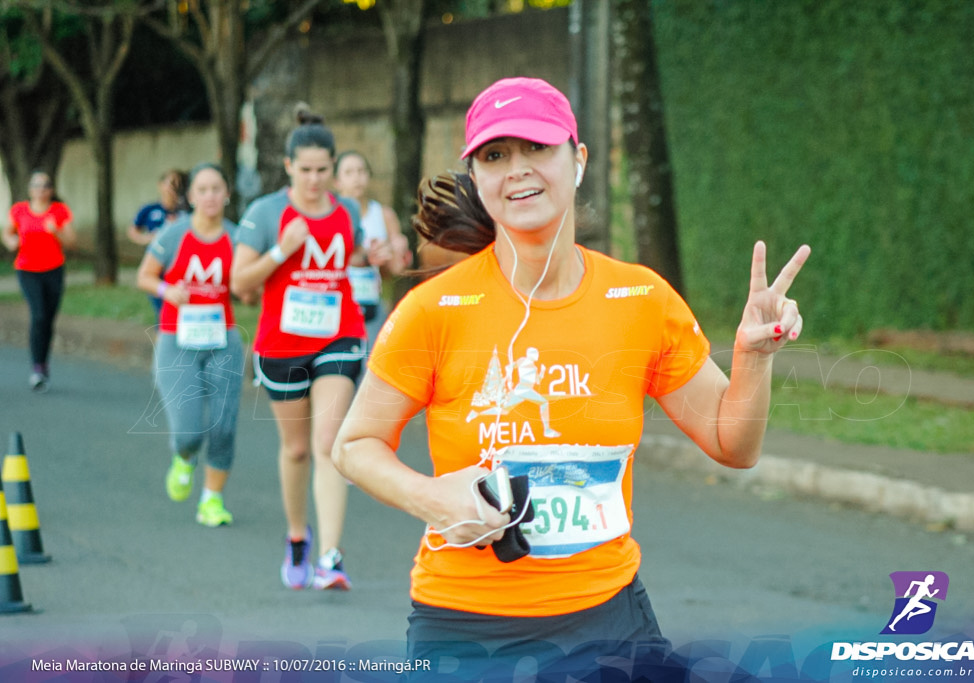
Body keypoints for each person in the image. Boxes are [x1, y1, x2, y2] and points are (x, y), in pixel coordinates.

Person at [332, 77, 811, 677]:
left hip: (609, 619)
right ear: (477, 180)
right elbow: (353, 445)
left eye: (537, 148)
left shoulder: (639, 298)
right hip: (466, 627)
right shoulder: (436, 310)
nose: (517, 170)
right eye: (495, 155)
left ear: (578, 160)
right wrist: (432, 497)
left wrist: (753, 357)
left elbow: (733, 443)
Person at [231, 106, 380, 590]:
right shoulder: (266, 213)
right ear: (288, 165)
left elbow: (353, 256)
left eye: (323, 170)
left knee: (328, 445)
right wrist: (282, 249)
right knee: (296, 450)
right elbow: (240, 283)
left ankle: (331, 559)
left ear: (333, 168)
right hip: (281, 343)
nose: (315, 180)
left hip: (339, 334)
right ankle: (299, 537)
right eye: (306, 170)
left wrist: (374, 257)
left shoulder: (348, 211)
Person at [136, 163, 244, 527]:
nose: (211, 196)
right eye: (203, 189)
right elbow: (145, 276)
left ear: (227, 194)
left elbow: (248, 288)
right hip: (177, 339)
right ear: (191, 197)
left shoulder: (236, 237)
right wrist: (169, 290)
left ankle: (212, 500)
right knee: (188, 430)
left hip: (223, 340)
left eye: (217, 188)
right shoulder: (174, 234)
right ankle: (184, 457)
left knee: (224, 427)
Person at [2, 170, 77, 392]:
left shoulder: (59, 211)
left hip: (54, 270)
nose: (40, 189)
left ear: (51, 190)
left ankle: (43, 365)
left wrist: (57, 233)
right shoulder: (19, 210)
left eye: (45, 185)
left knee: (48, 319)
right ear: (30, 189)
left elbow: (72, 242)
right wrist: (11, 241)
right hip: (27, 270)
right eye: (36, 185)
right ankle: (37, 368)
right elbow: (7, 234)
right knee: (39, 315)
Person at [334, 150, 411, 346]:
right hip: (337, 307)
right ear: (337, 181)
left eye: (361, 171)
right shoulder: (331, 215)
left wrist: (397, 253)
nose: (357, 178)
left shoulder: (384, 215)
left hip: (372, 305)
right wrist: (364, 258)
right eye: (349, 173)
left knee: (370, 368)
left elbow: (393, 271)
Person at [129, 169, 189, 322]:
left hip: (181, 269)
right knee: (162, 314)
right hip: (157, 270)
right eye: (170, 183)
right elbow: (133, 231)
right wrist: (148, 239)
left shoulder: (187, 213)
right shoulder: (149, 209)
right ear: (160, 185)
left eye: (178, 185)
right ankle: (162, 342)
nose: (173, 188)